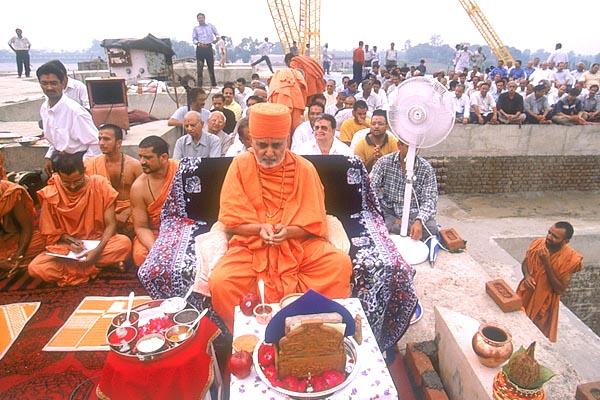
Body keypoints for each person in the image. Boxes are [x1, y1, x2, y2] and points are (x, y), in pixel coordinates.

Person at [208, 103, 352, 331]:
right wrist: (258, 228)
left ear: (288, 141)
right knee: (222, 281)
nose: (269, 152)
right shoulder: (239, 165)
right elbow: (231, 219)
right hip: (251, 247)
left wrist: (289, 232)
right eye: (261, 145)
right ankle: (251, 335)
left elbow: (315, 220)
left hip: (298, 245)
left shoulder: (304, 169)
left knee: (338, 265)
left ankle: (313, 329)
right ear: (250, 141)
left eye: (277, 145)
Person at [28, 152, 132, 286]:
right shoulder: (51, 192)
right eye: (66, 182)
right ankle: (95, 266)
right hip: (69, 247)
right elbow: (52, 233)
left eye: (77, 181)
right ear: (58, 176)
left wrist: (96, 251)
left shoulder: (100, 184)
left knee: (124, 244)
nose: (72, 186)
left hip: (98, 241)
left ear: (84, 172)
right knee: (35, 267)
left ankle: (83, 265)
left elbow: (111, 225)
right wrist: (72, 241)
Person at [516, 222, 582, 342]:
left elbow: (560, 289)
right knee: (515, 325)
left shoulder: (570, 259)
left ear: (565, 241)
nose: (549, 237)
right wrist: (527, 276)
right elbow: (525, 262)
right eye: (549, 232)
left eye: (555, 237)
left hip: (544, 305)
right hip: (525, 294)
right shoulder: (538, 244)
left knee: (531, 337)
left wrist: (547, 263)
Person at [36, 61, 100, 177]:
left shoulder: (76, 111)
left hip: (79, 161)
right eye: (44, 83)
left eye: (54, 83)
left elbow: (96, 143)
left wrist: (83, 166)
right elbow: (55, 139)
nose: (49, 87)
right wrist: (49, 157)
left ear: (63, 83)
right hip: (60, 159)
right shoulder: (44, 108)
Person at [371, 139, 438, 241]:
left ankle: (393, 226)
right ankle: (397, 224)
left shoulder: (426, 168)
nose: (413, 151)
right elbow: (371, 189)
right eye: (408, 147)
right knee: (370, 219)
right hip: (389, 209)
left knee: (432, 228)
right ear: (399, 145)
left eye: (415, 148)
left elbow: (430, 199)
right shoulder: (384, 162)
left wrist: (419, 220)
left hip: (413, 212)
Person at [84, 124, 143, 236]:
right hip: (101, 213)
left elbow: (145, 197)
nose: (101, 143)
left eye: (106, 139)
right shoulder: (90, 164)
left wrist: (127, 212)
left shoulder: (134, 165)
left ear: (119, 143)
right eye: (99, 139)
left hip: (129, 212)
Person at [130, 136, 179, 267]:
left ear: (163, 157)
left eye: (147, 157)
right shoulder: (138, 187)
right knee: (141, 256)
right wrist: (155, 248)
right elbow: (141, 227)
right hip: (157, 233)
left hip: (184, 229)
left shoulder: (181, 171)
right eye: (140, 156)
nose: (142, 162)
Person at [0, 174, 45, 278]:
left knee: (44, 239)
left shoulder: (11, 192)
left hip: (13, 239)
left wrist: (19, 256)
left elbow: (26, 228)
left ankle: (14, 262)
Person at [192, 12, 219, 87]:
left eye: (201, 18)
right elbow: (194, 39)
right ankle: (199, 85)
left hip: (208, 48)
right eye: (199, 18)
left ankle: (213, 84)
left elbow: (217, 34)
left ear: (204, 18)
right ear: (197, 19)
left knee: (211, 66)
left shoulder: (210, 26)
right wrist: (198, 43)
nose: (200, 19)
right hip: (200, 49)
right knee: (199, 68)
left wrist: (216, 39)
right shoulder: (196, 28)